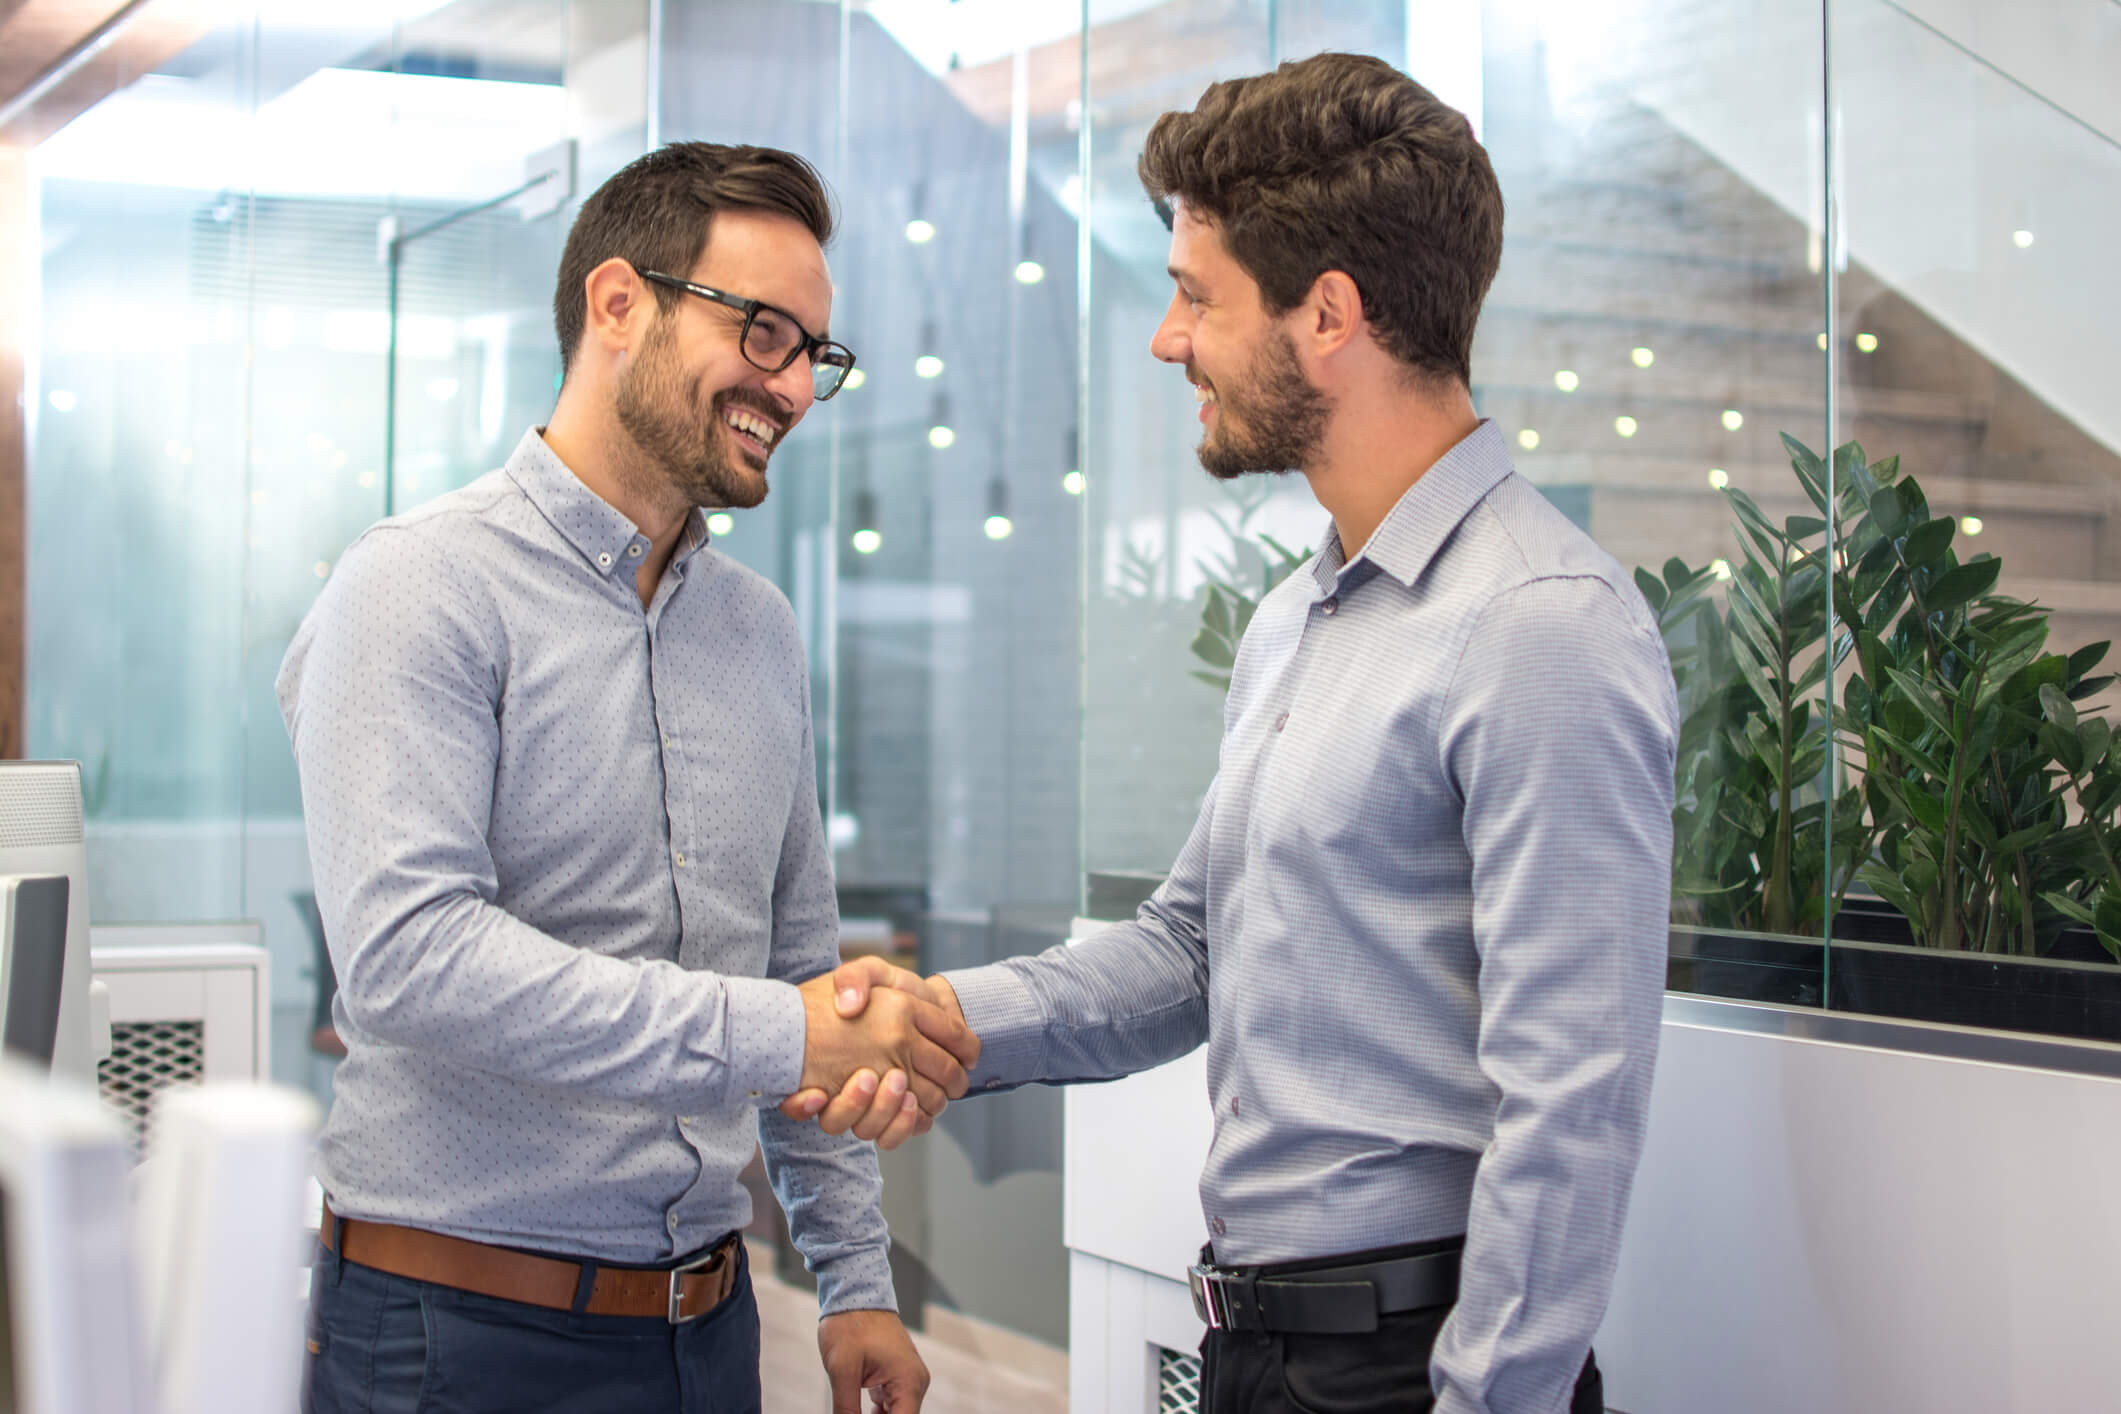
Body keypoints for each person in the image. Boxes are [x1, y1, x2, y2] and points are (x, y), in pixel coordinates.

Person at [790, 53, 1679, 1414]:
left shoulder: (1539, 623)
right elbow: (1189, 947)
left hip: (1409, 1363)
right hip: (1259, 1350)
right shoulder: (1298, 616)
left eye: (1195, 295)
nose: (1167, 339)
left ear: (1329, 314)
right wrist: (947, 1019)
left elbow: (1572, 1103)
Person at [279, 141, 977, 1414]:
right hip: (454, 1337)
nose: (796, 388)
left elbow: (801, 966)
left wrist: (855, 1278)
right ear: (617, 305)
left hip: (704, 1339)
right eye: (764, 332)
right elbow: (410, 957)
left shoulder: (756, 630)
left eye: (813, 353)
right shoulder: (419, 586)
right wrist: (786, 1031)